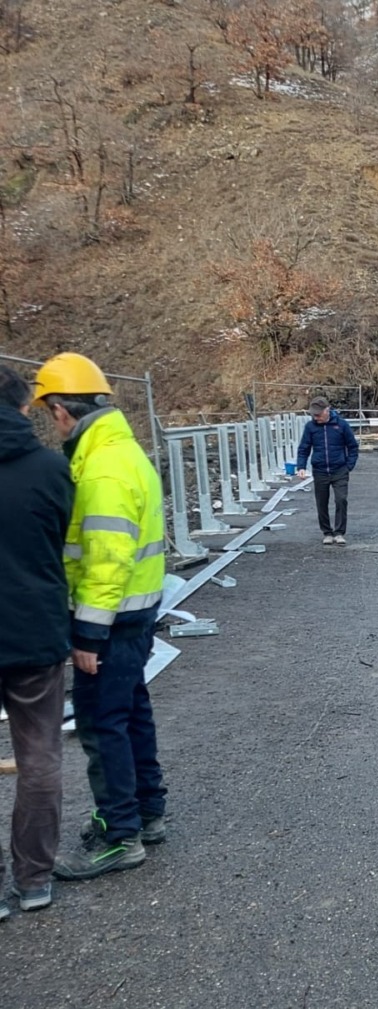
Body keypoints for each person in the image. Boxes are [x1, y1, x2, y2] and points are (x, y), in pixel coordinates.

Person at [31, 353, 168, 882]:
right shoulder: (122, 452)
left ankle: (120, 835)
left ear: (61, 410)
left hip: (110, 620)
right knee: (131, 712)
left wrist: (87, 633)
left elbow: (106, 559)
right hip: (135, 611)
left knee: (101, 723)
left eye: (50, 414)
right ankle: (146, 813)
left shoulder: (103, 467)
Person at [0, 365, 74, 917]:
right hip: (34, 629)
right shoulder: (50, 468)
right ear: (26, 407)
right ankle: (33, 879)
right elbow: (65, 541)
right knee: (39, 756)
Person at [296, 396, 359, 546]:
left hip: (340, 470)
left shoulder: (341, 425)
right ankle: (327, 532)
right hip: (320, 470)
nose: (316, 417)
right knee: (321, 503)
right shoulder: (310, 427)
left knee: (341, 500)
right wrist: (301, 467)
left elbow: (353, 447)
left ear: (327, 410)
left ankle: (339, 532)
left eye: (318, 414)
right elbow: (304, 448)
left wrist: (348, 466)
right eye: (314, 415)